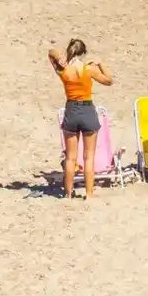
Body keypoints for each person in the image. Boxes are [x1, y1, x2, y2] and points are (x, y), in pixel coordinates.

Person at [48, 39, 114, 199]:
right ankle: (89, 194)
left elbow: (50, 52)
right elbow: (109, 80)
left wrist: (59, 57)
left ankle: (68, 193)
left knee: (71, 157)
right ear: (83, 53)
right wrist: (100, 63)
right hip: (87, 110)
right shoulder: (89, 69)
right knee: (89, 156)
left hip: (71, 110)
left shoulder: (63, 70)